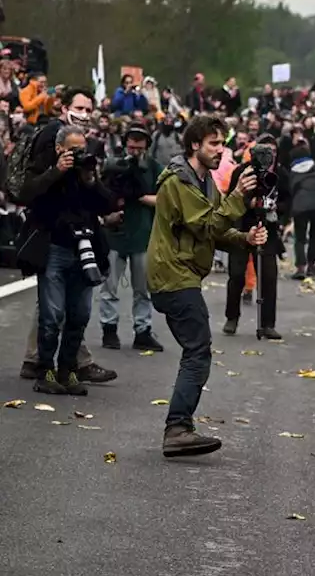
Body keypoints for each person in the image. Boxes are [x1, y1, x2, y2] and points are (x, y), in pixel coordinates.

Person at [147, 115, 266, 456]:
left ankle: (179, 426)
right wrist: (239, 197)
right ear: (194, 145)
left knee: (196, 350)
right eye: (213, 143)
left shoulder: (206, 180)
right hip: (173, 275)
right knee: (197, 351)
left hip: (183, 273)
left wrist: (244, 237)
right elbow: (208, 223)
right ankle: (178, 428)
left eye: (223, 143)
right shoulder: (178, 183)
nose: (220, 150)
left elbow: (214, 231)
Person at [15, 87, 118, 396]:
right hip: (55, 247)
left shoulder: (88, 164)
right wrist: (55, 172)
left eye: (81, 148)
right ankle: (44, 370)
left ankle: (67, 370)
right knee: (51, 314)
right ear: (60, 148)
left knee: (80, 315)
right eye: (71, 149)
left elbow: (107, 204)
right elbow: (27, 194)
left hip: (85, 247)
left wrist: (91, 180)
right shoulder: (48, 158)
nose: (76, 154)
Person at [98, 126, 164, 352]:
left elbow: (165, 198)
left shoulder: (154, 168)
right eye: (131, 145)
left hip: (142, 235)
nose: (135, 150)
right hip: (115, 234)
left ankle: (142, 330)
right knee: (109, 286)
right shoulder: (115, 164)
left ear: (146, 145)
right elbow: (102, 193)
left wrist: (140, 196)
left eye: (139, 145)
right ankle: (109, 329)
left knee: (143, 288)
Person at [223, 135, 290, 339]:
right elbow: (231, 200)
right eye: (264, 153)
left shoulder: (281, 174)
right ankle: (232, 317)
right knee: (236, 275)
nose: (268, 158)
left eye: (272, 153)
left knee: (269, 276)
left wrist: (276, 209)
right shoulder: (242, 172)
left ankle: (268, 323)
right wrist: (249, 203)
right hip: (243, 228)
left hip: (267, 230)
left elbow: (288, 201)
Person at [287, 142, 315, 280]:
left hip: (300, 205)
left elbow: (290, 191)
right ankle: (311, 265)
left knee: (300, 236)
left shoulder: (292, 172)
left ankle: (300, 267)